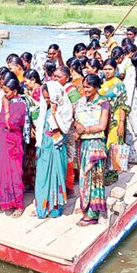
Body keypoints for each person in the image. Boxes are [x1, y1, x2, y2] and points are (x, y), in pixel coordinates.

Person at [73, 74, 110, 226]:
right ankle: (85, 205)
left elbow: (102, 126)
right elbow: (74, 119)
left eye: (88, 87)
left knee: (94, 177)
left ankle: (92, 213)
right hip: (83, 144)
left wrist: (84, 130)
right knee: (83, 177)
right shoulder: (80, 102)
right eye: (84, 86)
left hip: (95, 144)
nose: (85, 90)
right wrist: (77, 126)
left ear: (95, 87)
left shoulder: (104, 103)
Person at [34, 81, 73, 218]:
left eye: (49, 98)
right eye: (45, 98)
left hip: (57, 146)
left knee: (56, 175)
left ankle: (55, 207)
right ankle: (41, 208)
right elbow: (41, 125)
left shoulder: (66, 109)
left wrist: (55, 113)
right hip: (45, 145)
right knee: (42, 176)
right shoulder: (45, 108)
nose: (47, 101)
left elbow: (64, 129)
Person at [0, 78, 29, 217]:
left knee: (13, 172)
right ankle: (1, 201)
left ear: (14, 91)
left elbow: (12, 124)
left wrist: (6, 106)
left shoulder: (20, 104)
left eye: (7, 92)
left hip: (12, 141)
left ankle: (18, 204)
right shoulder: (7, 100)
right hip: (2, 139)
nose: (4, 94)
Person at [53, 66, 81, 195]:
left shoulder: (71, 91)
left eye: (59, 77)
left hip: (69, 128)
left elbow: (78, 110)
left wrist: (77, 128)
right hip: (58, 127)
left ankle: (69, 187)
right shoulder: (55, 89)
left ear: (67, 77)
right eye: (55, 76)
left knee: (69, 156)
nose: (56, 79)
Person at [99, 59, 129, 151]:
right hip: (102, 117)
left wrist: (121, 124)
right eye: (105, 69)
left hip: (115, 119)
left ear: (115, 70)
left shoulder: (119, 84)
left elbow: (122, 105)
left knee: (113, 145)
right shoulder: (101, 83)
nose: (107, 71)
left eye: (110, 69)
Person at [22, 69, 43, 191]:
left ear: (33, 80)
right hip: (36, 128)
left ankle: (34, 182)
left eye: (26, 82)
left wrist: (32, 127)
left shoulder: (37, 92)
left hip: (35, 128)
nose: (25, 84)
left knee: (33, 156)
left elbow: (36, 112)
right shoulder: (37, 91)